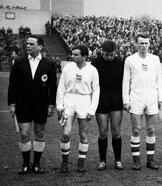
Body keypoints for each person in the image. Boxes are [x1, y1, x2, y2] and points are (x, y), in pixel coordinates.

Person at [7, 35, 57, 174]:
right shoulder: (18, 62)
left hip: (41, 104)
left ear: (40, 47)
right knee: (24, 134)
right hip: (23, 104)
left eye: (31, 44)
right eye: (27, 44)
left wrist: (51, 104)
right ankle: (25, 163)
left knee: (39, 132)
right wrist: (12, 103)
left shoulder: (49, 63)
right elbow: (12, 86)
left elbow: (53, 87)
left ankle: (36, 163)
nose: (28, 46)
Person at [122, 33, 162, 170]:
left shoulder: (155, 59)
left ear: (149, 44)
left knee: (151, 129)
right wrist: (126, 100)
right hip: (136, 97)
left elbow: (159, 80)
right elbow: (126, 81)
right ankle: (136, 161)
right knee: (136, 129)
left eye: (146, 43)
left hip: (151, 96)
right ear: (136, 44)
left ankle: (150, 160)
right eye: (141, 43)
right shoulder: (130, 60)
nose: (143, 46)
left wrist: (160, 98)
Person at [56, 45, 100, 173]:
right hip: (69, 100)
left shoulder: (92, 70)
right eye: (73, 54)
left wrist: (92, 109)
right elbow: (61, 88)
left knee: (83, 134)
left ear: (84, 56)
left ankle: (81, 163)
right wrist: (59, 106)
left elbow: (96, 91)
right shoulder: (68, 68)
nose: (73, 56)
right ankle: (64, 162)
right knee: (66, 133)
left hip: (85, 101)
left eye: (76, 54)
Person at [92, 40, 125, 171]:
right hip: (101, 99)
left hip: (116, 99)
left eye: (112, 54)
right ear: (102, 52)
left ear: (115, 53)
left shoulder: (121, 63)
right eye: (106, 54)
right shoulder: (95, 63)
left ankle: (118, 160)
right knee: (103, 132)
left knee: (116, 131)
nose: (109, 57)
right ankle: (102, 161)